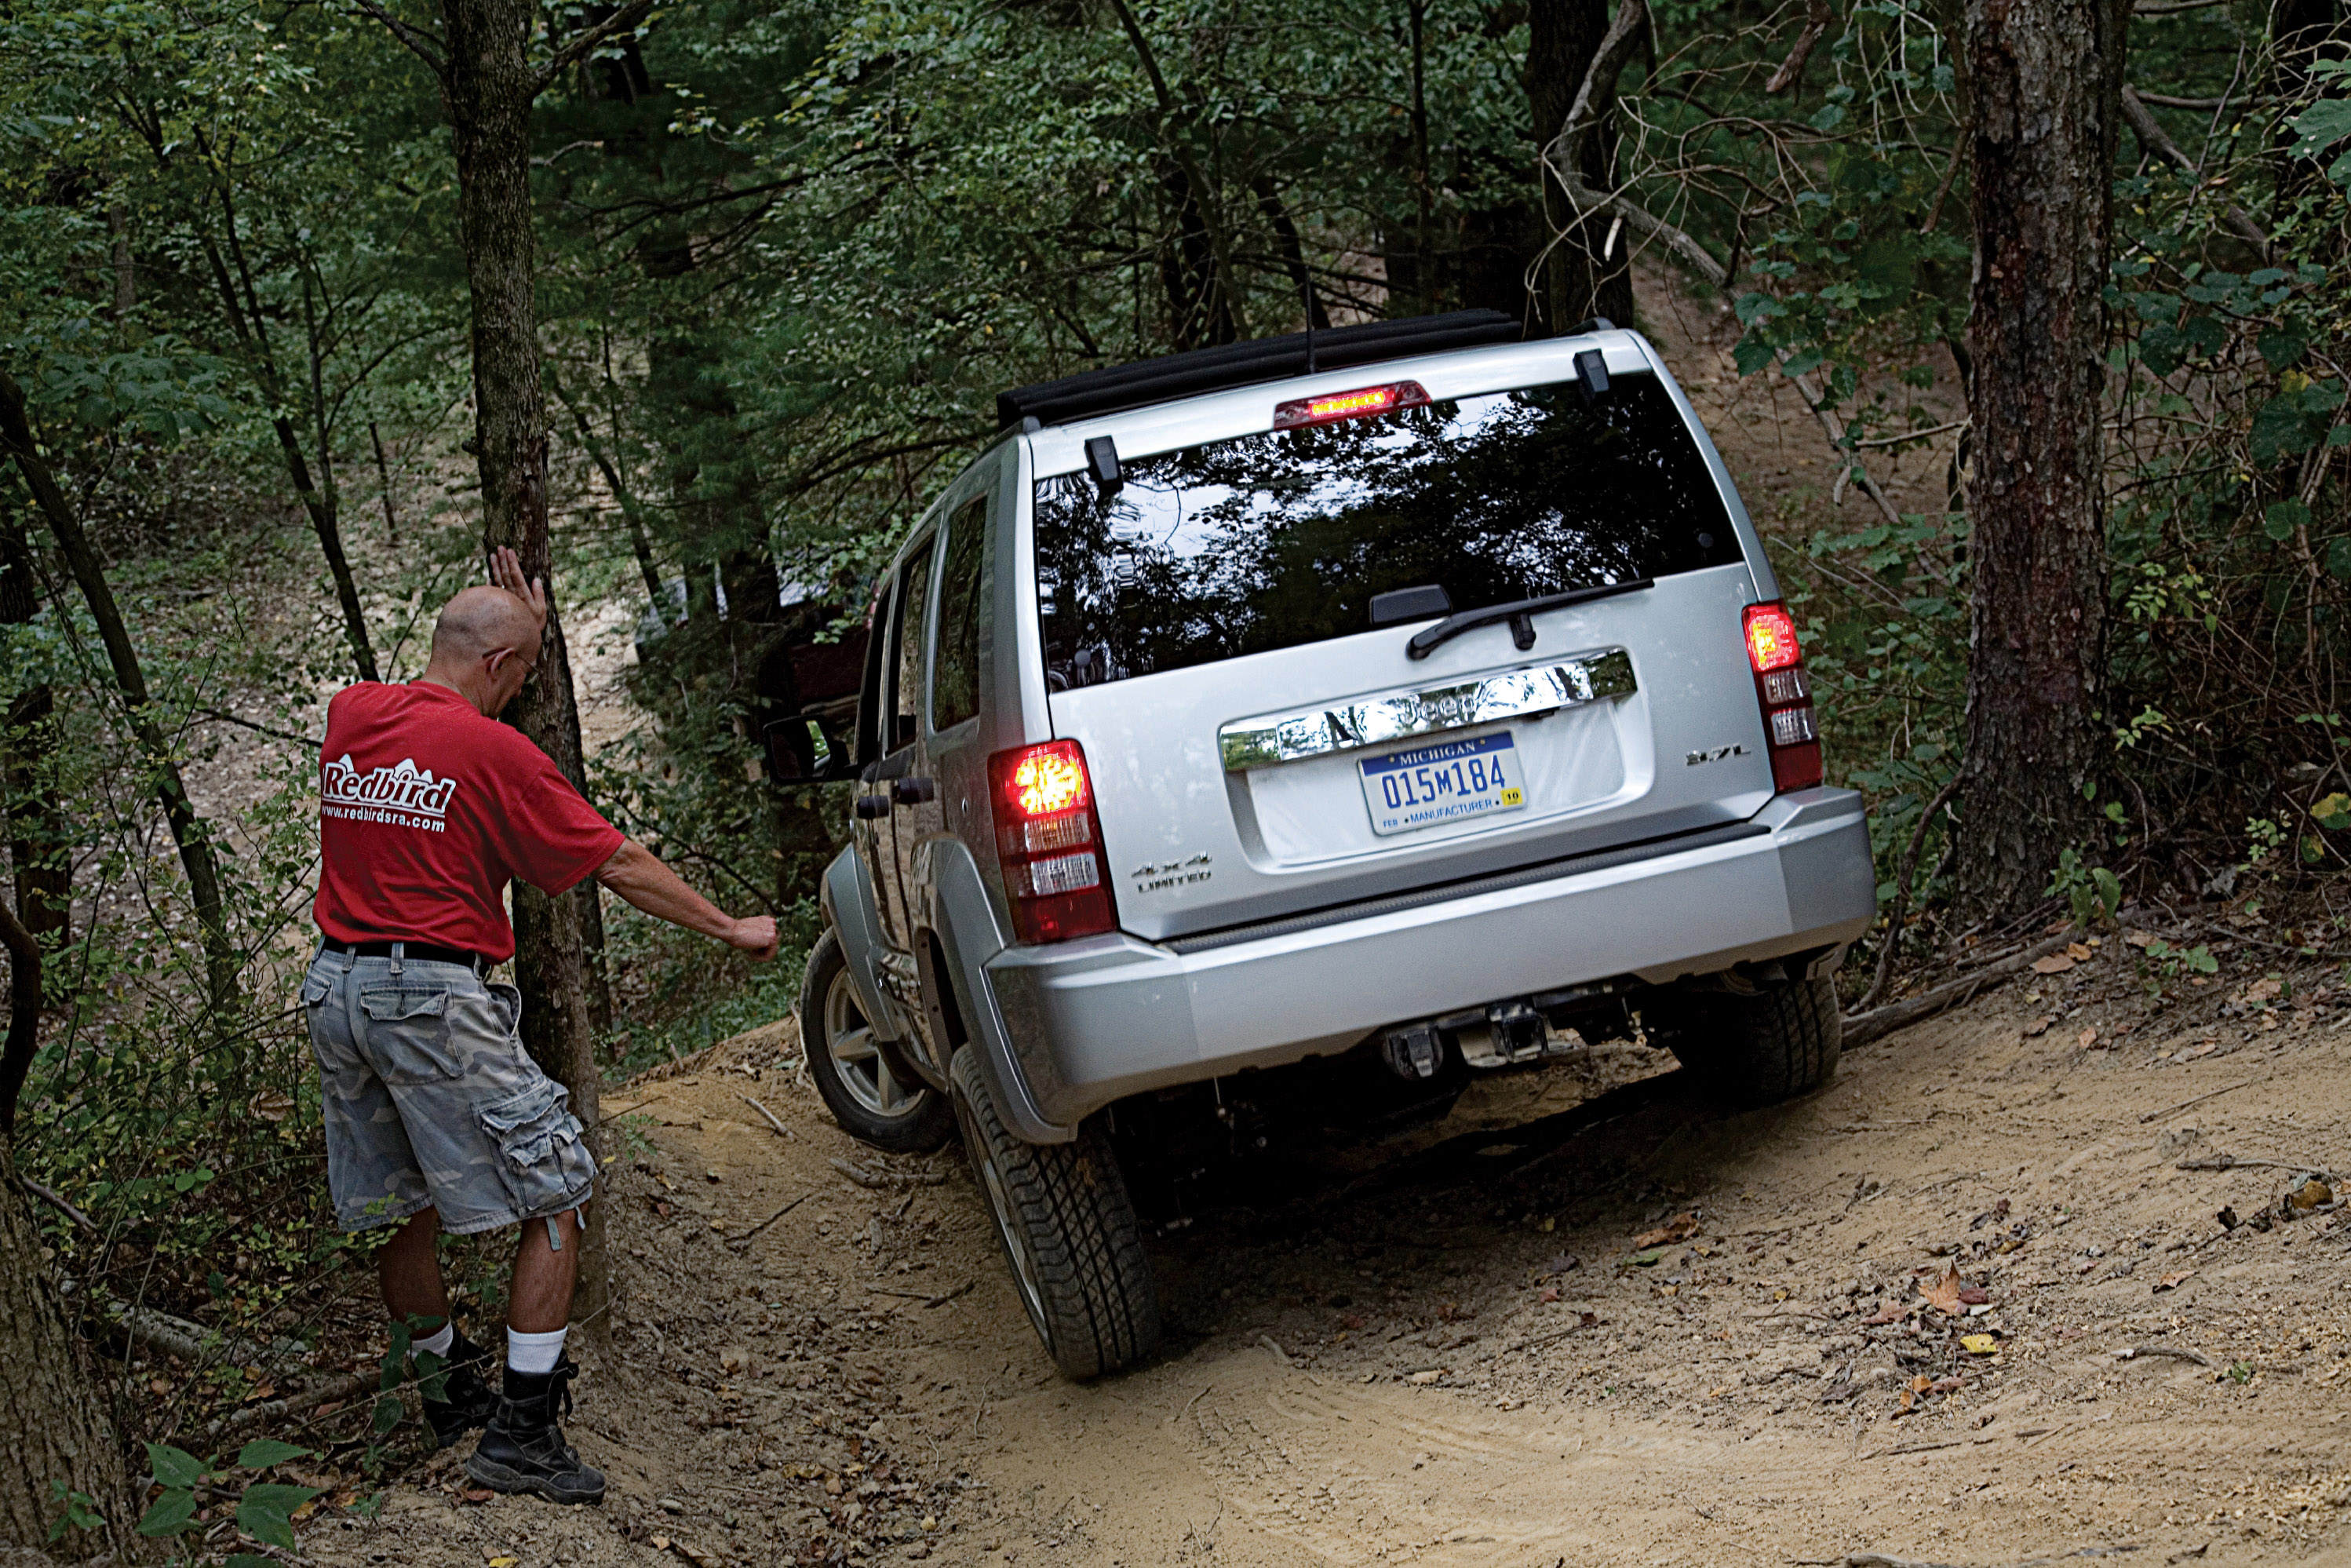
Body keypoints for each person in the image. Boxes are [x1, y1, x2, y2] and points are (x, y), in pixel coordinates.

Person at [302, 549, 778, 1504]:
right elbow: (618, 862)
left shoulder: (352, 715)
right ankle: (521, 1431)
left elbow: (450, 687)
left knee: (401, 1207)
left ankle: (447, 1398)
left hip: (334, 988)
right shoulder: (497, 754)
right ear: (497, 667)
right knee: (557, 1190)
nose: (521, 693)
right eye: (521, 674)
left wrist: (521, 625)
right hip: (427, 998)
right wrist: (729, 927)